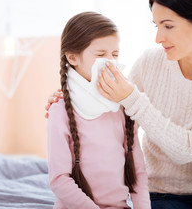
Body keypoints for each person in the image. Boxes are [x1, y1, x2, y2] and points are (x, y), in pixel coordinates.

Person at [46, 0, 192, 209]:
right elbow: (110, 102)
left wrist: (131, 97)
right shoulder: (150, 62)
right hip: (163, 193)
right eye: (156, 26)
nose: (158, 38)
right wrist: (70, 97)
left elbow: (187, 149)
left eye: (168, 26)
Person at [46, 11, 151, 209]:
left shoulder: (122, 105)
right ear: (73, 57)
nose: (110, 62)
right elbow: (59, 179)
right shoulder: (59, 110)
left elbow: (138, 173)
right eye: (101, 55)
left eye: (115, 54)